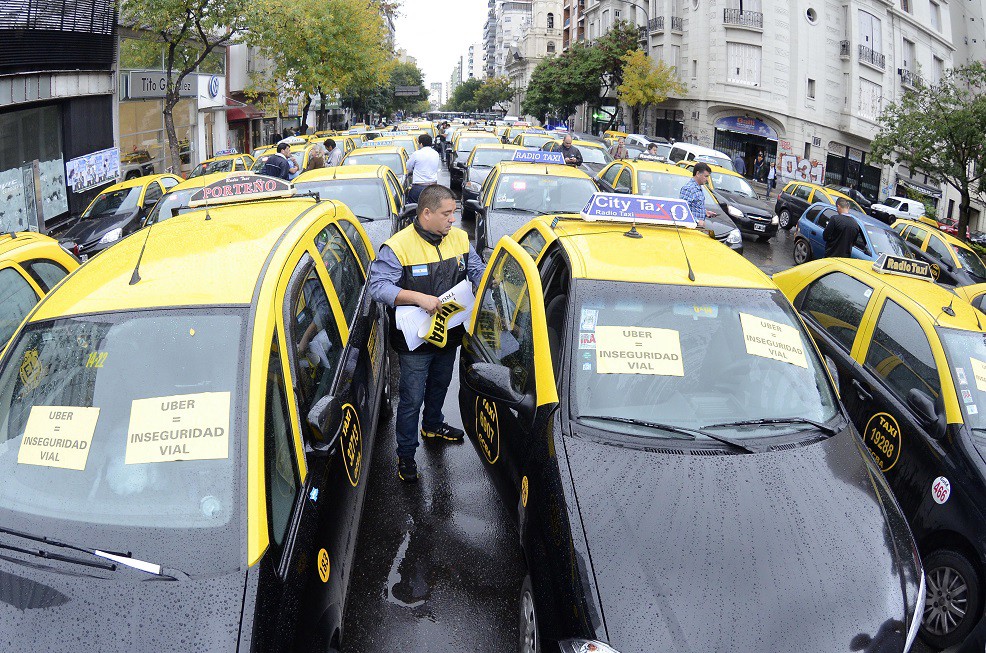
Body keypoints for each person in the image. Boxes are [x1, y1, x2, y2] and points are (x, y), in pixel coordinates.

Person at [368, 185, 487, 482]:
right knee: (411, 399)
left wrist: (490, 279)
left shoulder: (459, 238)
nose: (452, 220)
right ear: (426, 213)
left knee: (440, 384)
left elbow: (476, 270)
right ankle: (406, 455)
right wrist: (417, 298)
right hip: (415, 342)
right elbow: (378, 287)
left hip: (449, 333)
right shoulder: (397, 247)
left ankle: (433, 424)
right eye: (447, 214)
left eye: (454, 213)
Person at [405, 133, 441, 203]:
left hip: (419, 187)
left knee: (414, 208)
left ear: (421, 144)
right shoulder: (435, 153)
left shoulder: (416, 154)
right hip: (433, 186)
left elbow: (408, 167)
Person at [679, 161, 715, 227]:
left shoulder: (698, 188)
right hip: (690, 228)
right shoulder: (689, 188)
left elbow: (695, 206)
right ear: (698, 174)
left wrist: (705, 212)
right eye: (706, 176)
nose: (707, 179)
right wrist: (697, 221)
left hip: (697, 228)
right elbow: (682, 209)